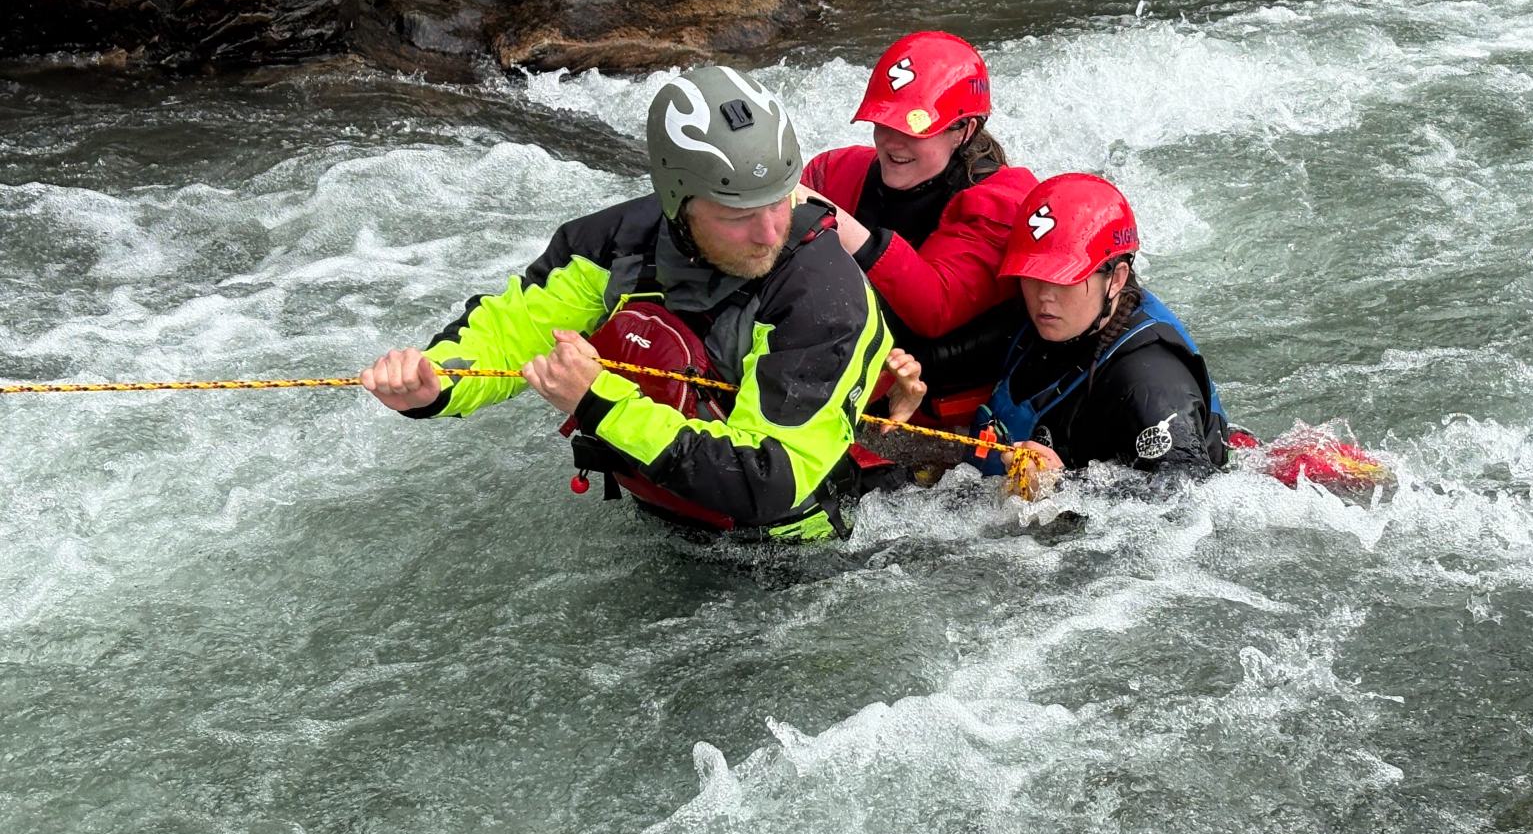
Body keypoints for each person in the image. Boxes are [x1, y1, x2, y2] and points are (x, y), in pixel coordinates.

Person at [359, 65, 913, 542]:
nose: (769, 233)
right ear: (677, 199)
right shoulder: (612, 245)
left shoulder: (825, 297)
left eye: (779, 202)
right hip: (666, 519)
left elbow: (769, 477)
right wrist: (436, 384)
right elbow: (508, 334)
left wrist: (599, 401)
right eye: (738, 215)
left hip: (794, 553)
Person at [801, 31, 1037, 398]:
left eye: (915, 129)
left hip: (950, 386)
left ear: (964, 130)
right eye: (884, 123)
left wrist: (833, 219)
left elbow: (934, 305)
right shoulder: (835, 171)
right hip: (875, 363)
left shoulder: (1001, 204)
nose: (893, 143)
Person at [961, 173, 1229, 491]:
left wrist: (1068, 485)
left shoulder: (1151, 384)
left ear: (1115, 279)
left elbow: (1188, 496)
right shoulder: (1037, 311)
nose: (1044, 296)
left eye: (1063, 279)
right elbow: (947, 358)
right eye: (1031, 274)